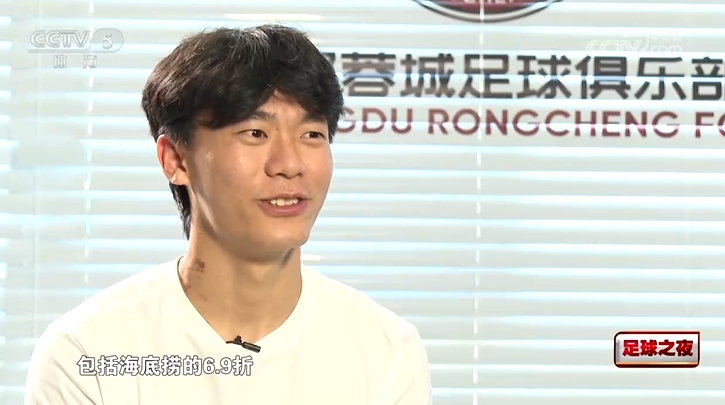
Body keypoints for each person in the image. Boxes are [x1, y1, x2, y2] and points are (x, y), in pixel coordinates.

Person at [23, 24, 432, 405]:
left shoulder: (387, 352)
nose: (290, 164)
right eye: (255, 133)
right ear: (175, 159)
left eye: (311, 134)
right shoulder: (85, 352)